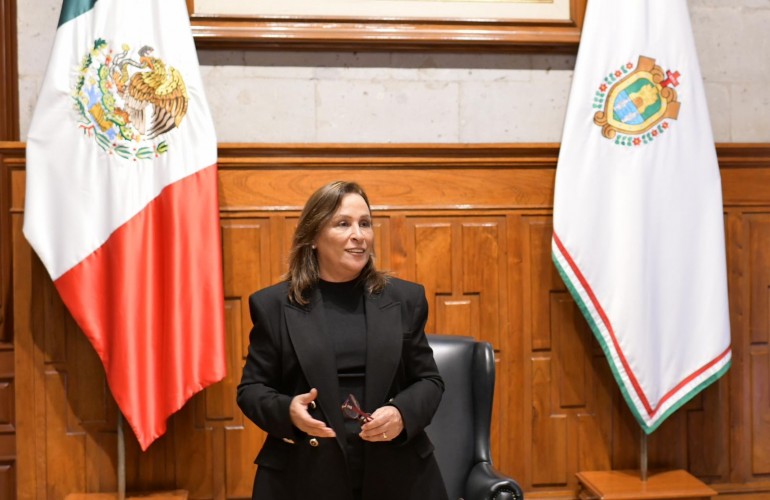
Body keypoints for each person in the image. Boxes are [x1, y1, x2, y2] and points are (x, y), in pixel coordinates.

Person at [237, 180, 449, 500]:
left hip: (396, 471)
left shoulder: (405, 299)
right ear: (313, 237)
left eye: (365, 223)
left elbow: (429, 380)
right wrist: (288, 411)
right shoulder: (273, 305)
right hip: (306, 472)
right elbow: (252, 389)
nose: (358, 235)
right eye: (343, 224)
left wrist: (401, 413)